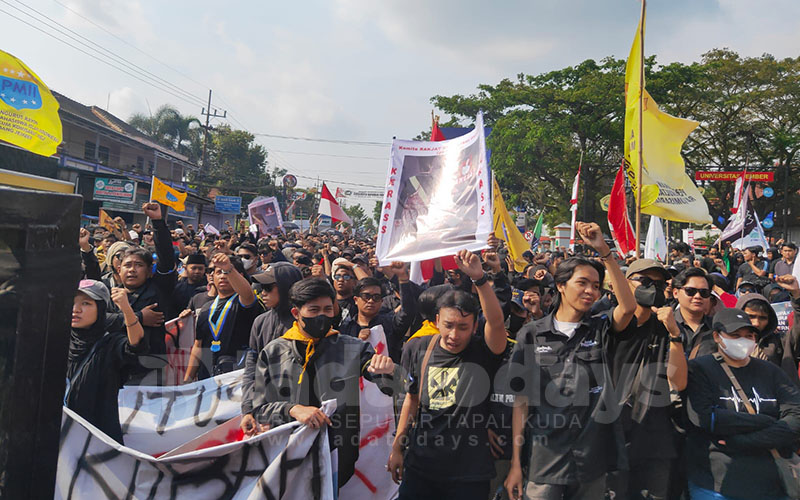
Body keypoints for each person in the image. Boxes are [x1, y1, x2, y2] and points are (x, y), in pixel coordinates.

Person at [505, 222, 637, 500]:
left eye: (596, 286)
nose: (590, 291)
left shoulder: (600, 328)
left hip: (592, 458)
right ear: (561, 286)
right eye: (582, 283)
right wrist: (516, 463)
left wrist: (604, 252)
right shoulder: (533, 333)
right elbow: (521, 402)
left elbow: (627, 307)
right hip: (544, 459)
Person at [251, 278, 398, 489]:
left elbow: (388, 383)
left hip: (338, 454)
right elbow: (260, 409)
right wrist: (292, 409)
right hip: (287, 455)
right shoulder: (274, 352)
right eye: (313, 310)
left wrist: (389, 372)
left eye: (328, 309)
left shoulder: (352, 347)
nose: (322, 316)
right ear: (296, 313)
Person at [389, 250, 508, 500]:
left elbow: (497, 323)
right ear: (437, 321)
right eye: (449, 325)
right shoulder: (417, 347)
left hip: (468, 473)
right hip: (420, 467)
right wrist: (398, 446)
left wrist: (480, 279)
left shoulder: (483, 351)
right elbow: (411, 399)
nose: (454, 335)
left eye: (463, 327)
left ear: (475, 326)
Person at [685, 307, 800, 499]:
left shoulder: (771, 372)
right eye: (735, 335)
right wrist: (766, 421)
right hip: (716, 485)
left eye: (748, 335)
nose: (743, 340)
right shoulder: (700, 369)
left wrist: (740, 441)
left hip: (771, 484)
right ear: (717, 336)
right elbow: (705, 418)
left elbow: (795, 418)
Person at [605, 259, 688, 500]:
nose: (653, 288)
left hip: (656, 441)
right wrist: (606, 255)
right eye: (645, 281)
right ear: (626, 283)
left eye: (660, 283)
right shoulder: (610, 324)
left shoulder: (668, 327)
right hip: (613, 437)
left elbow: (679, 382)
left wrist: (674, 334)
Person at [65, 280, 146, 444]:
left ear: (101, 308)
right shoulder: (58, 339)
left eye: (86, 303)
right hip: (63, 434)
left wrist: (126, 309)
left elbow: (136, 345)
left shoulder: (110, 343)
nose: (76, 310)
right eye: (71, 302)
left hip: (97, 437)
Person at [111, 202, 177, 382]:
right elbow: (102, 323)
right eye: (127, 265)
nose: (132, 270)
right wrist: (139, 317)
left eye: (138, 265)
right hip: (115, 369)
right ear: (119, 270)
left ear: (149, 271)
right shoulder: (111, 295)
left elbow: (166, 256)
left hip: (149, 372)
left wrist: (157, 222)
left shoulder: (158, 289)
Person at [240, 261, 303, 435]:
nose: (263, 292)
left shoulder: (305, 324)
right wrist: (248, 409)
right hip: (264, 414)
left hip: (299, 416)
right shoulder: (260, 322)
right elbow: (251, 369)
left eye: (268, 287)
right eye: (261, 287)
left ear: (286, 287)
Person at [184, 253, 263, 380]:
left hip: (237, 378)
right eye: (218, 272)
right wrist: (187, 380)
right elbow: (198, 346)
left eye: (226, 272)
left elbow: (247, 293)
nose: (223, 276)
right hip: (208, 379)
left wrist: (228, 268)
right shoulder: (205, 309)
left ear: (239, 276)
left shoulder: (243, 301)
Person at [338, 265, 417, 363]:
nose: (371, 301)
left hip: (387, 377)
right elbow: (341, 360)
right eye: (366, 296)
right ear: (356, 300)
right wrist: (357, 342)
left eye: (376, 297)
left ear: (381, 301)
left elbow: (408, 311)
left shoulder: (390, 323)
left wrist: (402, 280)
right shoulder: (346, 327)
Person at [672, 267, 716, 359]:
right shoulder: (664, 324)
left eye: (704, 292)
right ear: (676, 293)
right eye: (690, 291)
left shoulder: (718, 329)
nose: (697, 296)